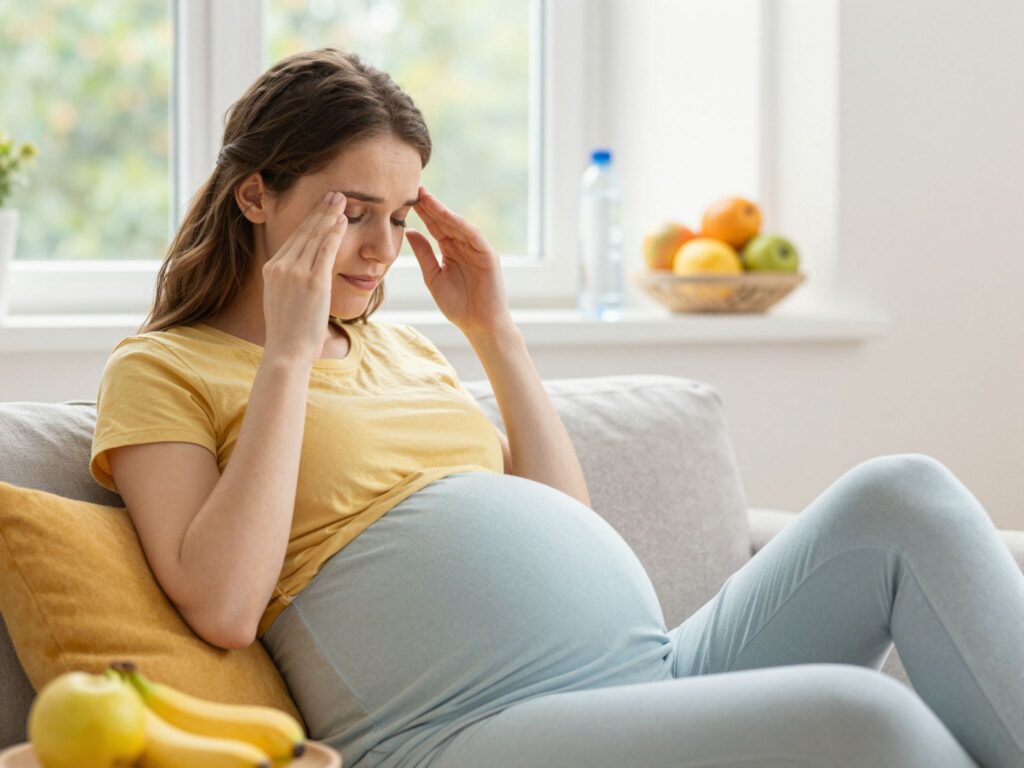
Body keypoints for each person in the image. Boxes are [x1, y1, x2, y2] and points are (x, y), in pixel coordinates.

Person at [88, 47, 1024, 768]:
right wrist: (286, 356)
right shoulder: (164, 368)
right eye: (352, 210)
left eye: (401, 214)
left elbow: (563, 523)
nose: (380, 247)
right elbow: (221, 605)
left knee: (903, 495)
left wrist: (495, 333)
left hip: (645, 680)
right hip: (463, 732)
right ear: (257, 194)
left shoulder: (402, 347)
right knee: (863, 720)